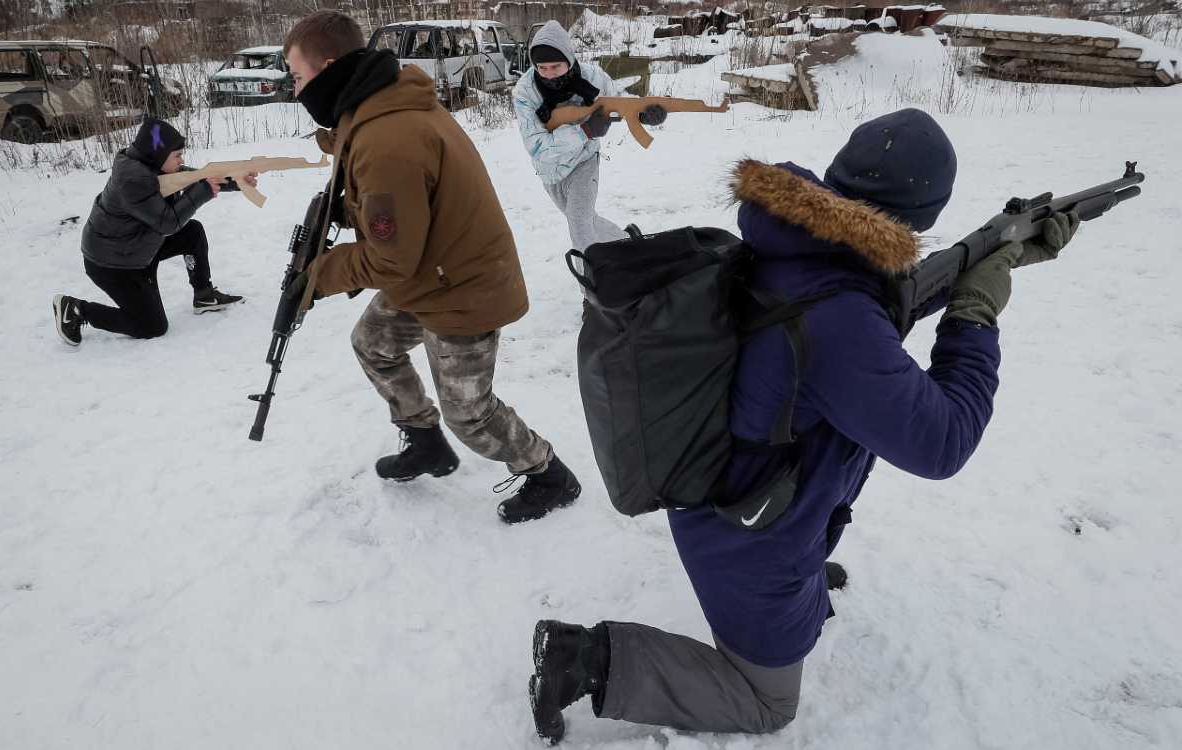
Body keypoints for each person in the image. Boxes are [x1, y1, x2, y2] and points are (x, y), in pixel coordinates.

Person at [525, 108, 1080, 743]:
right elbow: (942, 442)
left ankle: (805, 587)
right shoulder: (839, 319)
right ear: (921, 216)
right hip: (746, 531)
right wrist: (975, 310)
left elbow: (879, 298)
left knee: (807, 565)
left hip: (742, 485)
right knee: (765, 705)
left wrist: (990, 249)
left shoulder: (801, 241)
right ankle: (585, 661)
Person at [283, 10, 581, 524]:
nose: (295, 90)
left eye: (296, 77)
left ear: (328, 68)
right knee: (373, 344)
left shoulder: (386, 138)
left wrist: (319, 276)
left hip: (463, 290)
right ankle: (424, 440)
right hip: (432, 270)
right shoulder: (375, 107)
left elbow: (387, 257)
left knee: (471, 415)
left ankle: (547, 473)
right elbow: (399, 215)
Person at [52, 118, 246, 346]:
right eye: (177, 155)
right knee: (152, 326)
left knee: (192, 232)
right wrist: (203, 192)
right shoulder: (133, 179)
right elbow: (167, 223)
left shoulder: (151, 166)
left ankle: (204, 295)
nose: (182, 160)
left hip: (136, 247)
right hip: (112, 264)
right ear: (158, 155)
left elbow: (190, 177)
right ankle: (76, 309)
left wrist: (235, 181)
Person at [513, 20, 667, 252]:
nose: (549, 75)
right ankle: (628, 240)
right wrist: (584, 130)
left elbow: (618, 101)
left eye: (555, 66)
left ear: (569, 59)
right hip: (550, 170)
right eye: (542, 68)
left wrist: (643, 114)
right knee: (587, 221)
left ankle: (593, 276)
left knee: (580, 227)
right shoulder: (525, 92)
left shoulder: (592, 77)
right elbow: (538, 148)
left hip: (584, 161)